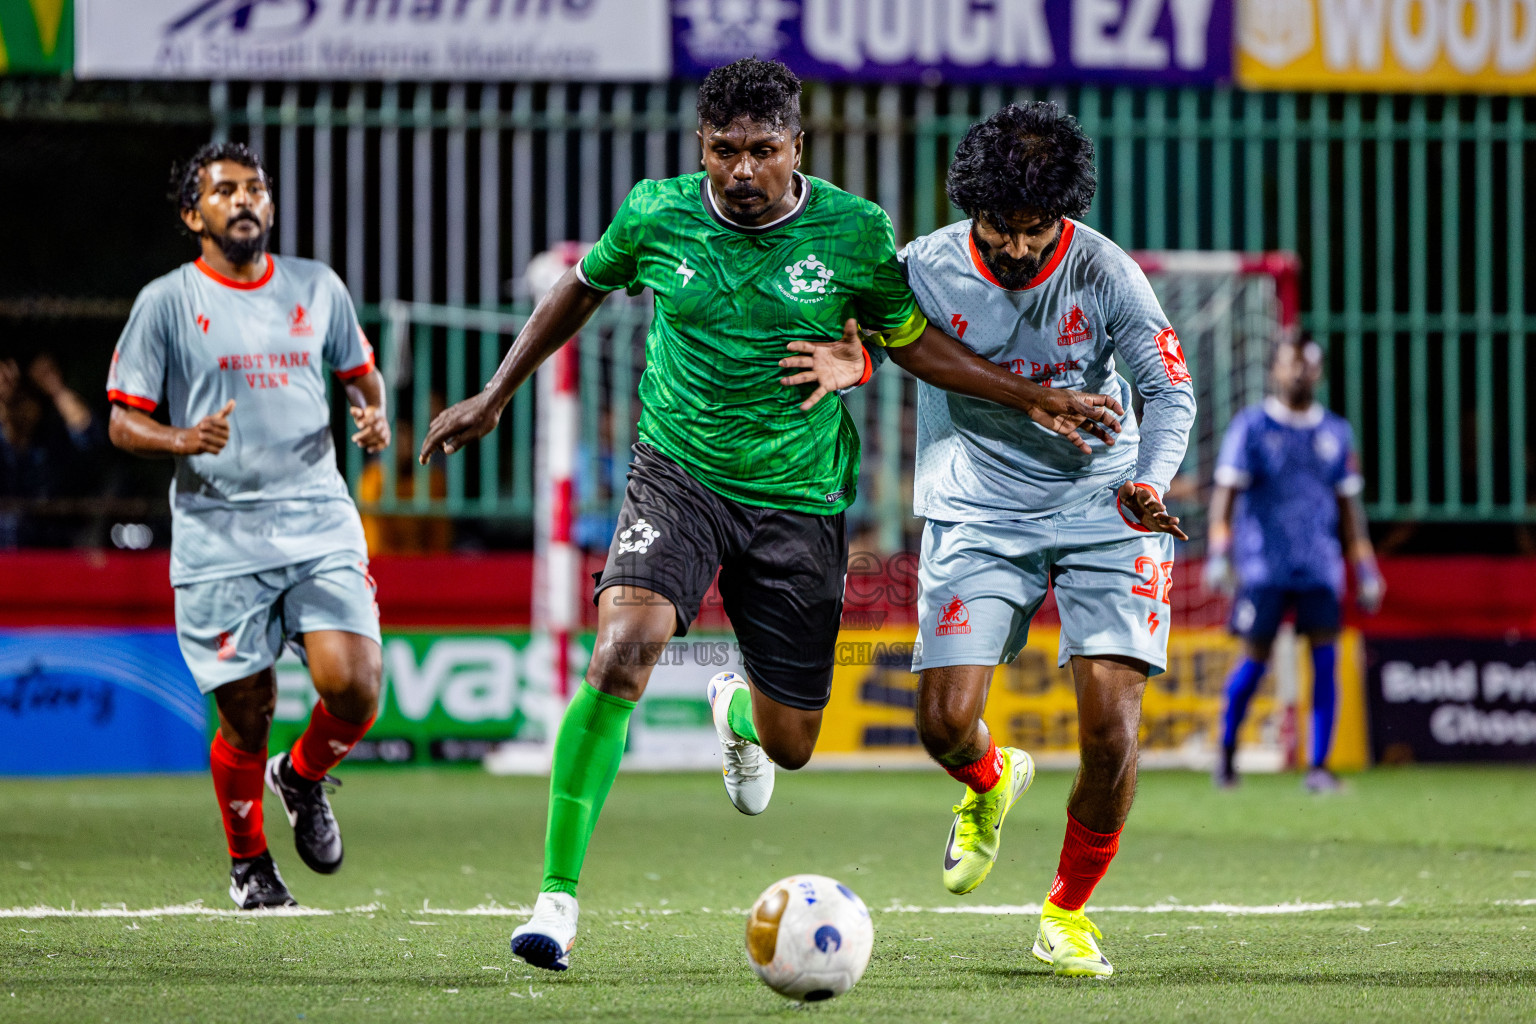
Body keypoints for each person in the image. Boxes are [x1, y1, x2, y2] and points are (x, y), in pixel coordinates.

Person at [417, 59, 1123, 972]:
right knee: (623, 649)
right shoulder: (655, 213)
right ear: (700, 147)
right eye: (723, 151)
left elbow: (914, 345)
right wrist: (496, 393)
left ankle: (740, 715)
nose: (742, 171)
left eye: (762, 151)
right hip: (678, 471)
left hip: (798, 501)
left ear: (797, 146)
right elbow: (581, 288)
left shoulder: (856, 231)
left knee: (793, 746)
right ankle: (555, 901)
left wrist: (1033, 398)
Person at [891, 102, 1196, 978]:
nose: (1020, 248)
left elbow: (1169, 392)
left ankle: (1066, 912)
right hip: (977, 508)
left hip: (1110, 504)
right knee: (945, 725)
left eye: (1037, 229)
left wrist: (1152, 482)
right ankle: (989, 782)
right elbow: (881, 340)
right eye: (1002, 227)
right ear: (971, 207)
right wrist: (855, 358)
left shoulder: (1107, 273)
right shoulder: (927, 266)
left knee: (1110, 730)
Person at [106, 142, 391, 909]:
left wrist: (374, 415)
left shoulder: (315, 286)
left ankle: (299, 776)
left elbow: (362, 377)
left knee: (356, 687)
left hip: (317, 518)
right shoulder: (166, 302)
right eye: (224, 190)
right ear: (191, 214)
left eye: (255, 188)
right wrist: (181, 438)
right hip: (217, 531)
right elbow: (123, 423)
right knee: (247, 708)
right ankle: (251, 868)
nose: (244, 200)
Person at [1204, 337, 1383, 792]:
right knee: (1253, 661)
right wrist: (1219, 554)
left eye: (1307, 366)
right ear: (1276, 371)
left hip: (1319, 566)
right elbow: (1225, 498)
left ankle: (1318, 767)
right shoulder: (1252, 427)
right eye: (1291, 365)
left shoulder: (1336, 432)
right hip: (1263, 566)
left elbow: (1349, 511)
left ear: (1318, 373)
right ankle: (1226, 753)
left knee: (1325, 662)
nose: (1299, 373)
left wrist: (1364, 567)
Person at [0, 354, 104, 548]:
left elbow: (90, 438)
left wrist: (55, 388)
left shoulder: (52, 442)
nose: (18, 409)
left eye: (25, 400)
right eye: (12, 401)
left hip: (50, 548)